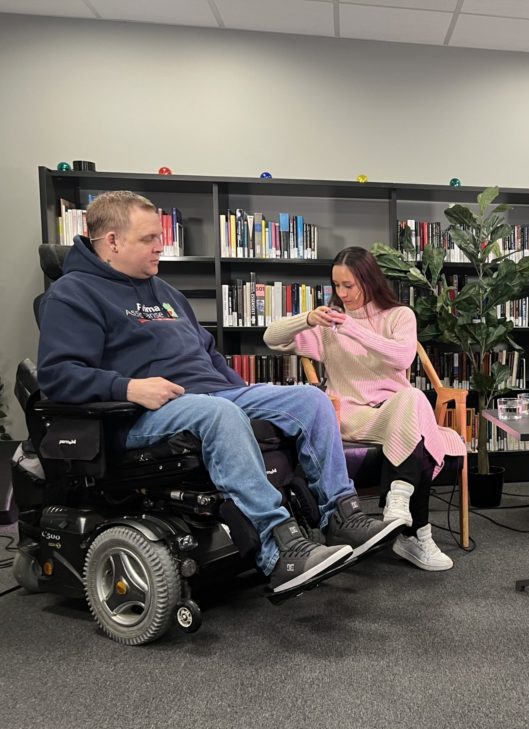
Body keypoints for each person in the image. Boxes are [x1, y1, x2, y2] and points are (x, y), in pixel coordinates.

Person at [36, 191, 402, 595]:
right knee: (217, 414)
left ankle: (341, 516)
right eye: (148, 239)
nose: (161, 245)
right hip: (137, 414)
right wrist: (129, 387)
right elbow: (58, 375)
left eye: (160, 236)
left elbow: (208, 354)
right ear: (112, 242)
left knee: (309, 400)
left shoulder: (166, 293)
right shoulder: (73, 294)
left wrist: (246, 394)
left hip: (212, 396)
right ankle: (279, 548)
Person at [264, 246, 462, 571]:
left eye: (349, 286)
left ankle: (400, 500)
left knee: (414, 401)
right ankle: (416, 534)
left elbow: (401, 357)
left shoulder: (399, 316)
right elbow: (271, 338)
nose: (342, 294)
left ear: (369, 281)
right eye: (336, 286)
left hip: (394, 413)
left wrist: (353, 327)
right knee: (422, 426)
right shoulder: (326, 324)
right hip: (350, 416)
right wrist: (308, 318)